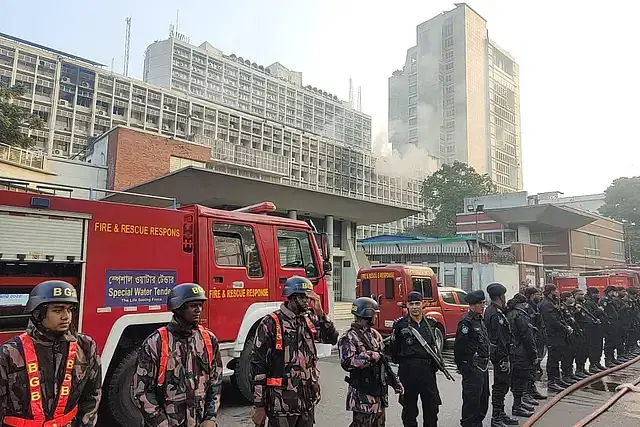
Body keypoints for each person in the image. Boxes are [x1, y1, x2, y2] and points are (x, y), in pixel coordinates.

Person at [0, 280, 102, 427]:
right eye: (58, 310)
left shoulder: (85, 346)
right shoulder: (9, 354)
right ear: (38, 313)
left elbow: (92, 396)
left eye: (69, 309)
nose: (66, 316)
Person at [251, 276, 339, 427]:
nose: (306, 301)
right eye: (302, 297)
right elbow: (258, 366)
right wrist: (259, 406)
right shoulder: (271, 322)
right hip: (281, 405)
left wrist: (320, 313)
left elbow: (331, 338)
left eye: (308, 297)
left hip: (306, 402)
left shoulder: (309, 319)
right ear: (291, 297)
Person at [132, 282, 223, 427]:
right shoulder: (156, 343)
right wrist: (160, 422)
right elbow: (141, 391)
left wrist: (210, 417)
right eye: (192, 305)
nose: (198, 310)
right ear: (178, 308)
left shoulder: (208, 340)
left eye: (200, 305)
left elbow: (215, 382)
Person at [339, 297, 403, 427]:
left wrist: (395, 382)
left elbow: (383, 362)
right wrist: (370, 355)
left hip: (378, 394)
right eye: (374, 314)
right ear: (367, 314)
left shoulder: (375, 335)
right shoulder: (349, 337)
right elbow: (347, 362)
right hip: (362, 396)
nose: (375, 317)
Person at [390, 291, 442, 427]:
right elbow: (394, 352)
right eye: (411, 304)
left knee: (431, 410)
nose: (414, 307)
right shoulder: (400, 325)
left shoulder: (431, 324)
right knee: (409, 411)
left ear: (423, 304)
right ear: (407, 305)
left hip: (427, 374)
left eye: (417, 303)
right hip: (408, 373)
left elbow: (435, 348)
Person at [484, 283, 520, 425]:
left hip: (501, 354)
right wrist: (505, 358)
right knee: (500, 385)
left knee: (503, 385)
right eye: (503, 296)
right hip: (500, 355)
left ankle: (501, 413)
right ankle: (496, 417)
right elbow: (499, 339)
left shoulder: (496, 311)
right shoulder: (495, 314)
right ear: (500, 297)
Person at [454, 290, 491, 427]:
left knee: (483, 398)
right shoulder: (466, 322)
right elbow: (459, 348)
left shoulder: (479, 319)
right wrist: (464, 367)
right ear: (472, 305)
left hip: (483, 366)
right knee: (472, 400)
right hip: (472, 367)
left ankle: (477, 422)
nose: (483, 306)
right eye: (480, 303)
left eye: (483, 303)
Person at [505, 293, 538, 418]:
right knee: (521, 378)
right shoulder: (520, 315)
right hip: (521, 352)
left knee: (517, 378)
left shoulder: (510, 313)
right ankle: (517, 406)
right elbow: (527, 337)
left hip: (514, 351)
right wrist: (533, 354)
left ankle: (519, 404)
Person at [539, 284, 573, 392]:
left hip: (558, 335)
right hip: (552, 335)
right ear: (550, 292)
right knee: (553, 360)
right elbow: (553, 321)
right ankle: (551, 382)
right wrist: (565, 328)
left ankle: (557, 379)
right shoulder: (546, 305)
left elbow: (559, 317)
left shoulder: (552, 303)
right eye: (555, 291)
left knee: (557, 358)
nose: (558, 293)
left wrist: (567, 326)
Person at [523, 286, 547, 399]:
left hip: (538, 338)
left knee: (536, 364)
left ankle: (532, 389)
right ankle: (528, 391)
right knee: (530, 366)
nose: (540, 296)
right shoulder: (527, 307)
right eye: (538, 294)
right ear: (532, 295)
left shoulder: (536, 306)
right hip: (532, 339)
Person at [571, 288, 598, 378]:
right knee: (580, 351)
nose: (582, 296)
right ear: (575, 295)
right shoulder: (573, 306)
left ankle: (582, 369)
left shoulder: (582, 304)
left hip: (588, 330)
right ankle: (578, 370)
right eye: (580, 294)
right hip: (580, 331)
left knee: (586, 351)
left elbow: (587, 315)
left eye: (582, 294)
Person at [559, 291, 582, 382]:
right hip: (566, 334)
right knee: (567, 355)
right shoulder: (562, 308)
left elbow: (574, 318)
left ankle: (570, 373)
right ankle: (566, 375)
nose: (572, 298)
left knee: (572, 353)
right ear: (566, 298)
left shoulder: (570, 307)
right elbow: (565, 320)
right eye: (570, 297)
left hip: (573, 333)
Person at [582, 287, 606, 373]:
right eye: (596, 293)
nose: (598, 295)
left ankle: (597, 362)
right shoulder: (588, 303)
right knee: (594, 346)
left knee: (599, 346)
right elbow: (590, 315)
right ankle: (593, 364)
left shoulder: (595, 302)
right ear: (592, 294)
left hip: (599, 328)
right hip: (593, 329)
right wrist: (599, 310)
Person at [600, 285, 621, 367]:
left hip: (614, 323)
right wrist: (607, 321)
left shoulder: (611, 300)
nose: (616, 293)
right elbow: (603, 312)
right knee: (609, 342)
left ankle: (612, 358)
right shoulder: (605, 300)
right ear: (611, 291)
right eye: (614, 291)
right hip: (609, 324)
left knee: (613, 341)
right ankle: (608, 360)